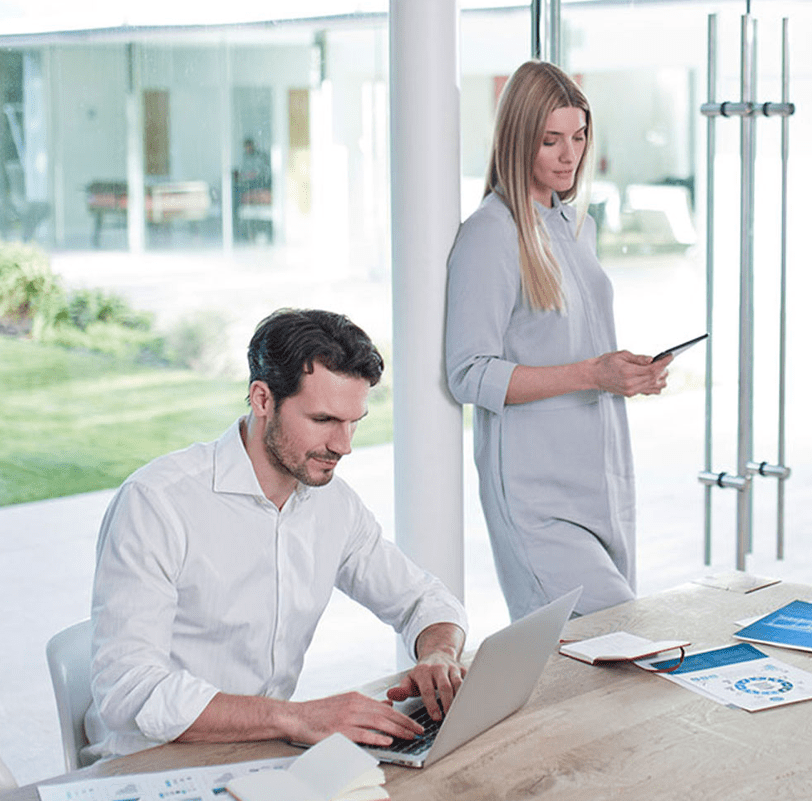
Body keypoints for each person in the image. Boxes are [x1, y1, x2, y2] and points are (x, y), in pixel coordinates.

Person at [84, 308, 468, 761]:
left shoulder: (333, 505)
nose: (343, 446)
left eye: (354, 422)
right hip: (153, 762)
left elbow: (423, 599)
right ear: (262, 400)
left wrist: (438, 654)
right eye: (324, 421)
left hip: (264, 756)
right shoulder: (157, 503)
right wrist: (296, 718)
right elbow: (128, 691)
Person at [444, 61, 670, 621]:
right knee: (614, 639)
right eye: (551, 140)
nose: (569, 155)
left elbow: (581, 346)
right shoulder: (490, 234)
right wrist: (594, 374)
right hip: (535, 497)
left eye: (578, 137)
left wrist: (629, 373)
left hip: (603, 484)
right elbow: (469, 371)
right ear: (518, 140)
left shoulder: (576, 227)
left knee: (599, 665)